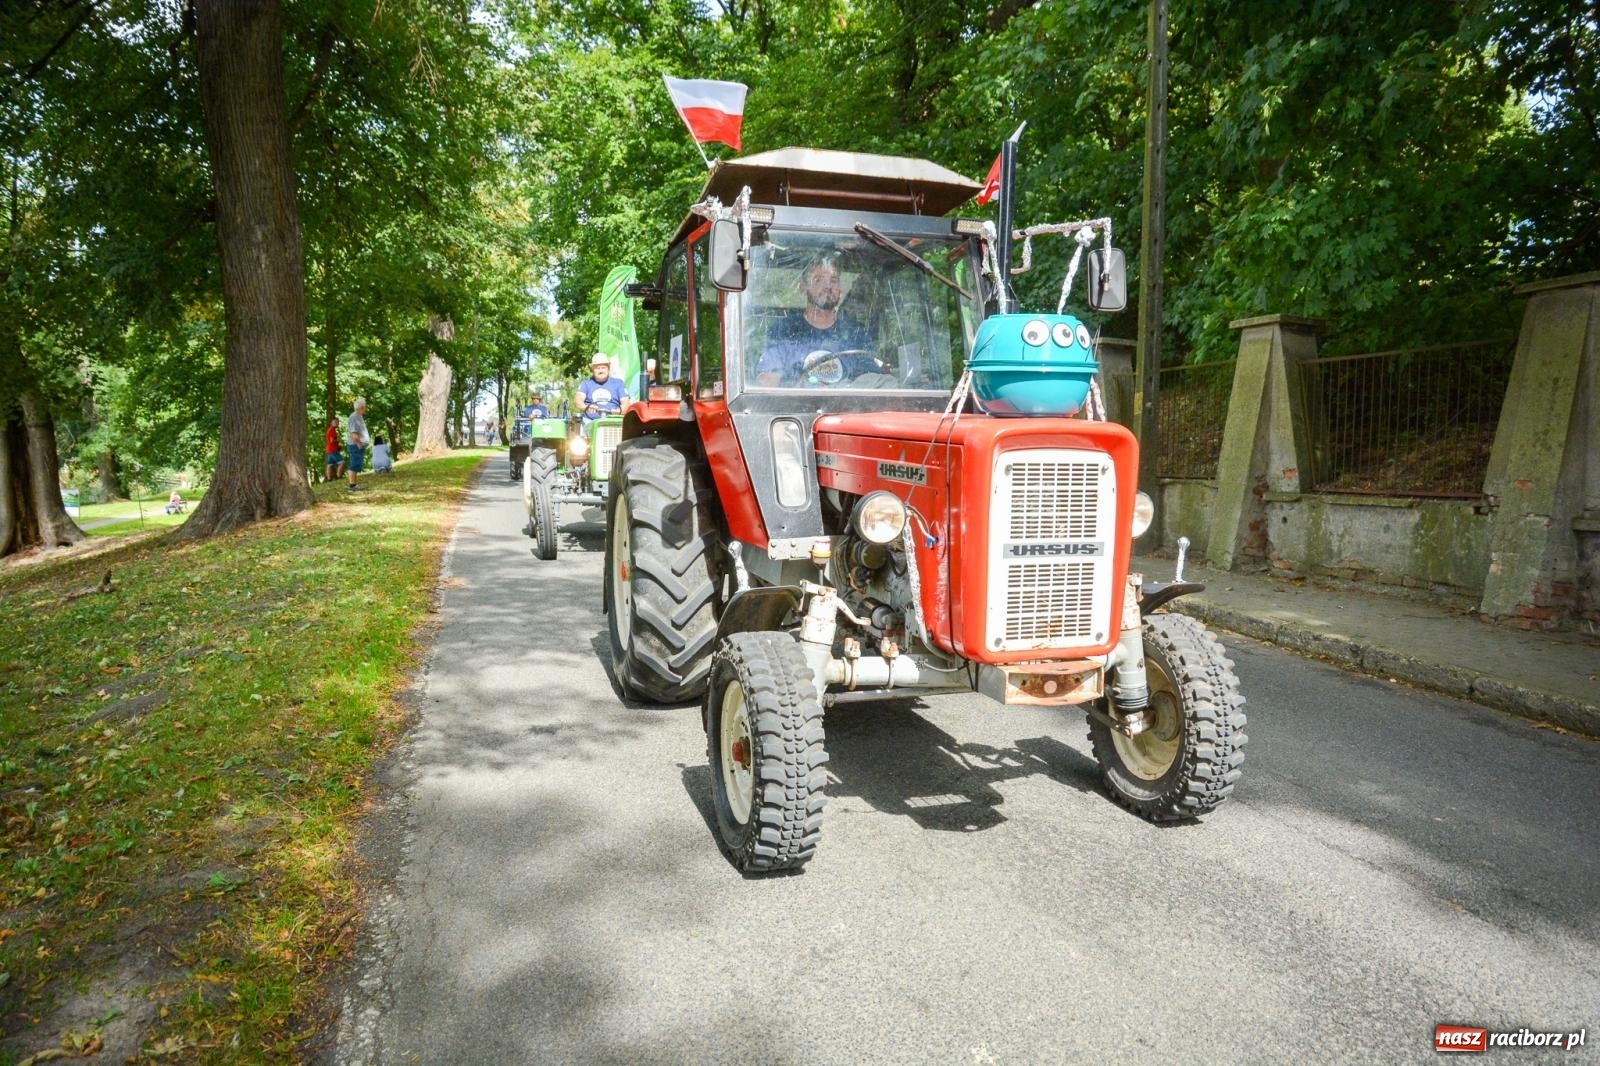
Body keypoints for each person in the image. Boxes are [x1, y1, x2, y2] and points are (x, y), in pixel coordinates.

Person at [756, 256, 874, 386]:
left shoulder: (855, 333)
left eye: (833, 280)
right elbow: (766, 379)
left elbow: (873, 380)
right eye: (818, 280)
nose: (828, 286)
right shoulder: (783, 331)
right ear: (803, 288)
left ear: (840, 290)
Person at [574, 354, 628, 422]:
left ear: (608, 368)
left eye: (603, 367)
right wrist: (586, 407)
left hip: (613, 420)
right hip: (590, 421)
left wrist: (616, 411)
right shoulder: (585, 384)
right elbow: (578, 400)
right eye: (597, 368)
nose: (600, 370)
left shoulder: (618, 383)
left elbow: (626, 404)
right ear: (593, 370)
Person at [346, 398, 371, 491]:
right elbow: (354, 433)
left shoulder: (359, 416)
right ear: (361, 407)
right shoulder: (354, 417)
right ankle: (352, 486)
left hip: (357, 445)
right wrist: (359, 444)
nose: (366, 409)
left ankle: (354, 484)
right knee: (354, 464)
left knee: (356, 464)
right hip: (355, 445)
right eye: (365, 407)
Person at [323, 416, 345, 481]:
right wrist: (339, 440)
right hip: (333, 450)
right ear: (331, 423)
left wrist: (338, 446)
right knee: (342, 462)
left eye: (337, 422)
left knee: (329, 464)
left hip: (329, 450)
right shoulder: (332, 430)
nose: (337, 423)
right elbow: (332, 441)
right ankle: (338, 476)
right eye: (335, 422)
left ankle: (329, 479)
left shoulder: (330, 430)